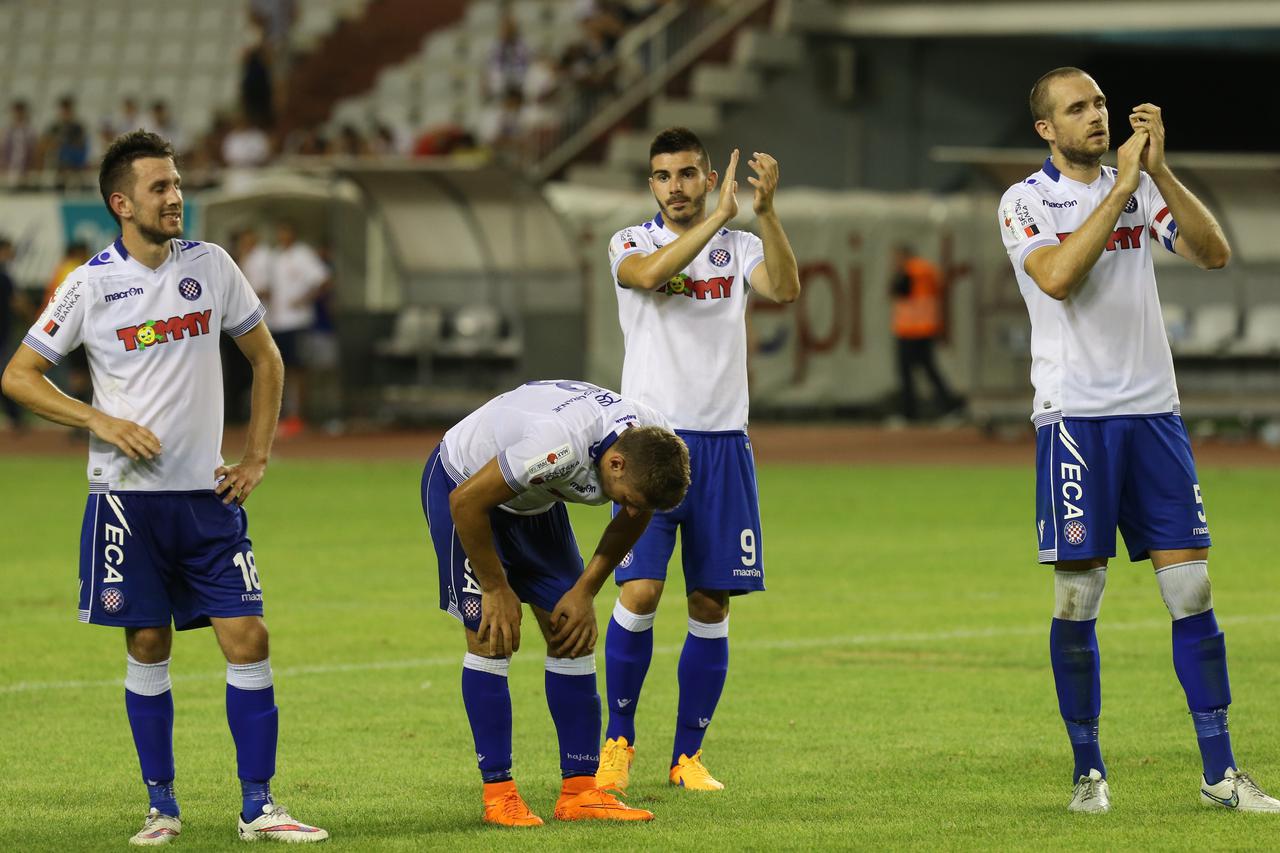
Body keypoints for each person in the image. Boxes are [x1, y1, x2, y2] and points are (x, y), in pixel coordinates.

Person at [0, 130, 328, 845]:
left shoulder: (211, 266)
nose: (176, 196)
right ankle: (162, 807)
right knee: (148, 642)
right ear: (122, 203)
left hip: (208, 498)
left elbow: (266, 358)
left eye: (177, 184)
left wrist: (256, 457)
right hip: (126, 501)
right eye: (160, 187)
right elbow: (18, 375)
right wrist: (100, 420)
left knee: (249, 636)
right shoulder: (89, 284)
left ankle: (259, 806)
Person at [999, 67, 1278, 815]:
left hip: (1154, 412)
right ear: (1046, 130)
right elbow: (1056, 276)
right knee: (1077, 597)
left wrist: (1159, 173)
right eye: (1076, 109)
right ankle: (1089, 772)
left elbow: (1213, 252)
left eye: (1098, 103)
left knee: (1191, 587)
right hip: (1075, 419)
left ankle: (1221, 773)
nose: (1096, 116)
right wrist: (1121, 189)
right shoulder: (1025, 200)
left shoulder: (1143, 186)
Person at [599, 127, 800, 792]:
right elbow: (652, 277)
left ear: (708, 175)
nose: (676, 186)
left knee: (712, 603)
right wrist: (718, 215)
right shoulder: (629, 242)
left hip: (723, 446)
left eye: (689, 174)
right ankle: (617, 742)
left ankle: (687, 756)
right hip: (650, 444)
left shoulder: (740, 247)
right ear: (650, 184)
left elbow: (786, 287)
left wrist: (765, 216)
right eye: (664, 175)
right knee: (640, 590)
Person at [420, 379, 691, 826]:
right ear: (616, 463)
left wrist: (585, 590)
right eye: (624, 497)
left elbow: (635, 513)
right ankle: (499, 793)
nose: (628, 507)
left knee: (572, 633)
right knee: (491, 637)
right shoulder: (556, 445)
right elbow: (465, 503)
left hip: (534, 500)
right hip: (464, 485)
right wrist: (495, 587)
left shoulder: (654, 439)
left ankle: (581, 792)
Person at [262, 220, 328, 437]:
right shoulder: (275, 256)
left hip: (297, 321)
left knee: (299, 370)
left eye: (285, 231)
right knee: (280, 369)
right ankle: (283, 416)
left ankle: (299, 416)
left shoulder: (302, 254)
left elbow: (324, 279)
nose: (282, 236)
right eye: (280, 232)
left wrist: (304, 299)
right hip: (277, 321)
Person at [889, 244, 961, 420]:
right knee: (929, 370)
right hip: (926, 328)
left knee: (907, 373)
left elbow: (897, 290)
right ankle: (949, 407)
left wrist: (896, 273)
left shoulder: (910, 271)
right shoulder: (927, 270)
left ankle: (910, 413)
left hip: (910, 330)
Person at [0, 236, 26, 431]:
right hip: (3, 335)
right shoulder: (4, 277)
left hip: (4, 333)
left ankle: (15, 416)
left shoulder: (6, 275)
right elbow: (16, 302)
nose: (12, 254)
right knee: (6, 373)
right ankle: (15, 416)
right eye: (9, 250)